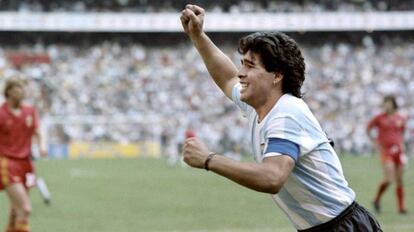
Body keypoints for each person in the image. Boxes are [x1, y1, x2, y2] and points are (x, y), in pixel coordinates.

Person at [180, 4, 382, 231]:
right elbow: (227, 78)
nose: (240, 73)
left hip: (342, 227)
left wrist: (209, 159)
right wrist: (197, 36)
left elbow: (272, 177)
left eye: (250, 66)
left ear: (276, 76)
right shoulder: (260, 106)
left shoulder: (286, 113)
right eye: (241, 64)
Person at [0, 78, 47, 232]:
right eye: (18, 87)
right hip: (8, 164)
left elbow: (38, 130)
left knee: (16, 209)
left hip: (27, 164)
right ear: (9, 91)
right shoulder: (1, 113)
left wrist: (42, 144)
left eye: (23, 87)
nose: (22, 91)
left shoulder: (30, 111)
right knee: (25, 208)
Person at [367, 95, 407, 214]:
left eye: (388, 103)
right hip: (386, 151)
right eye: (385, 103)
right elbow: (368, 128)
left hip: (398, 151)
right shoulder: (379, 118)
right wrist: (374, 142)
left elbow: (402, 132)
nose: (386, 105)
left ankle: (401, 207)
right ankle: (377, 199)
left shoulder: (400, 118)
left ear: (393, 104)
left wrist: (402, 143)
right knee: (390, 179)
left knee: (399, 179)